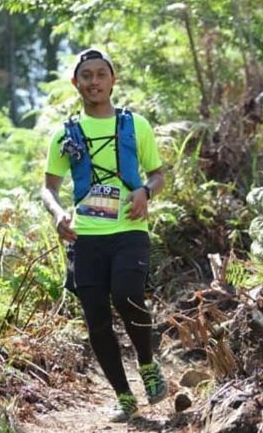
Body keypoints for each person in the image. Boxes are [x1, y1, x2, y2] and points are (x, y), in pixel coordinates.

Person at [41, 48, 167, 422]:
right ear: (75, 82)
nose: (94, 81)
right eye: (87, 76)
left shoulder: (135, 125)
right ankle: (124, 396)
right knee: (96, 318)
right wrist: (58, 213)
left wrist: (146, 191)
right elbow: (48, 187)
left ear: (112, 80)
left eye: (101, 74)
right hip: (86, 237)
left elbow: (158, 173)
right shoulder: (65, 134)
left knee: (127, 295)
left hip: (129, 228)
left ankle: (146, 364)